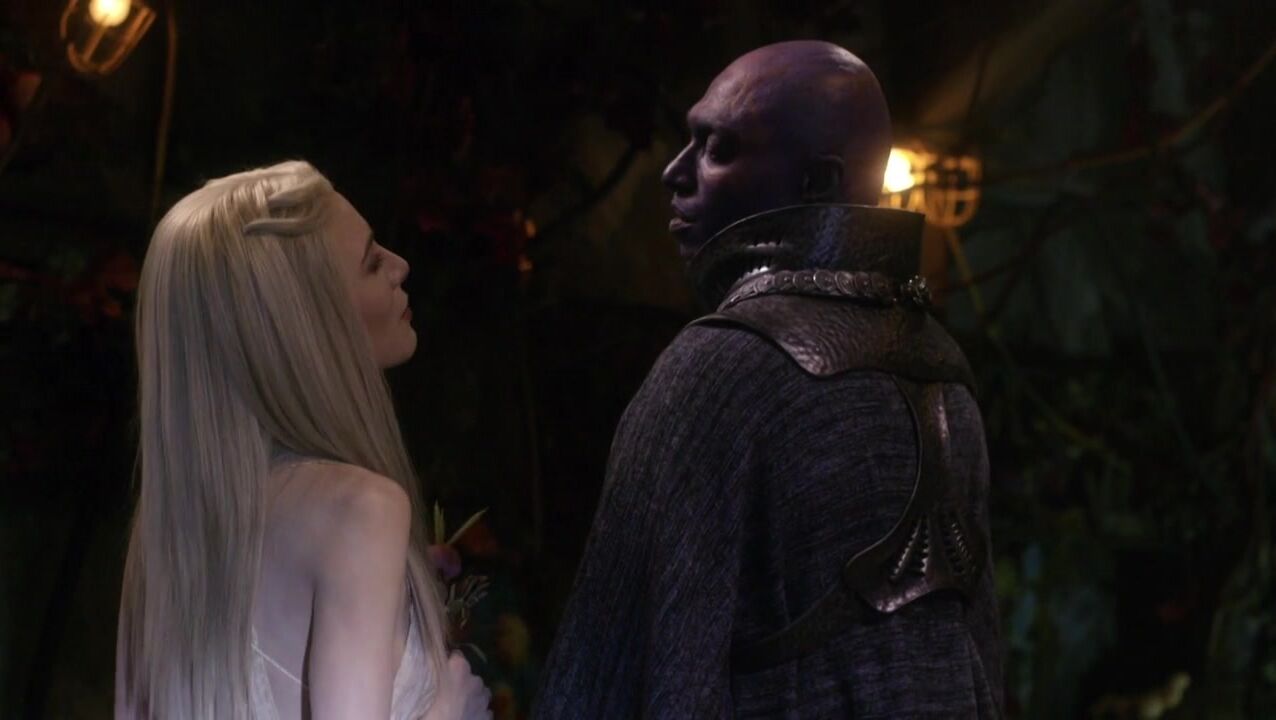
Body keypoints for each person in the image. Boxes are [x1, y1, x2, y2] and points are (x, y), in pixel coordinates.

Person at [533, 41, 1003, 717]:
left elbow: (615, 665)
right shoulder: (943, 371)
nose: (674, 172)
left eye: (718, 147)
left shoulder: (721, 370)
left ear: (817, 183)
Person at [114, 161, 492, 719]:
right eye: (371, 262)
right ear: (309, 322)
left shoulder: (166, 529)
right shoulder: (359, 510)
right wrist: (448, 710)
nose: (400, 265)